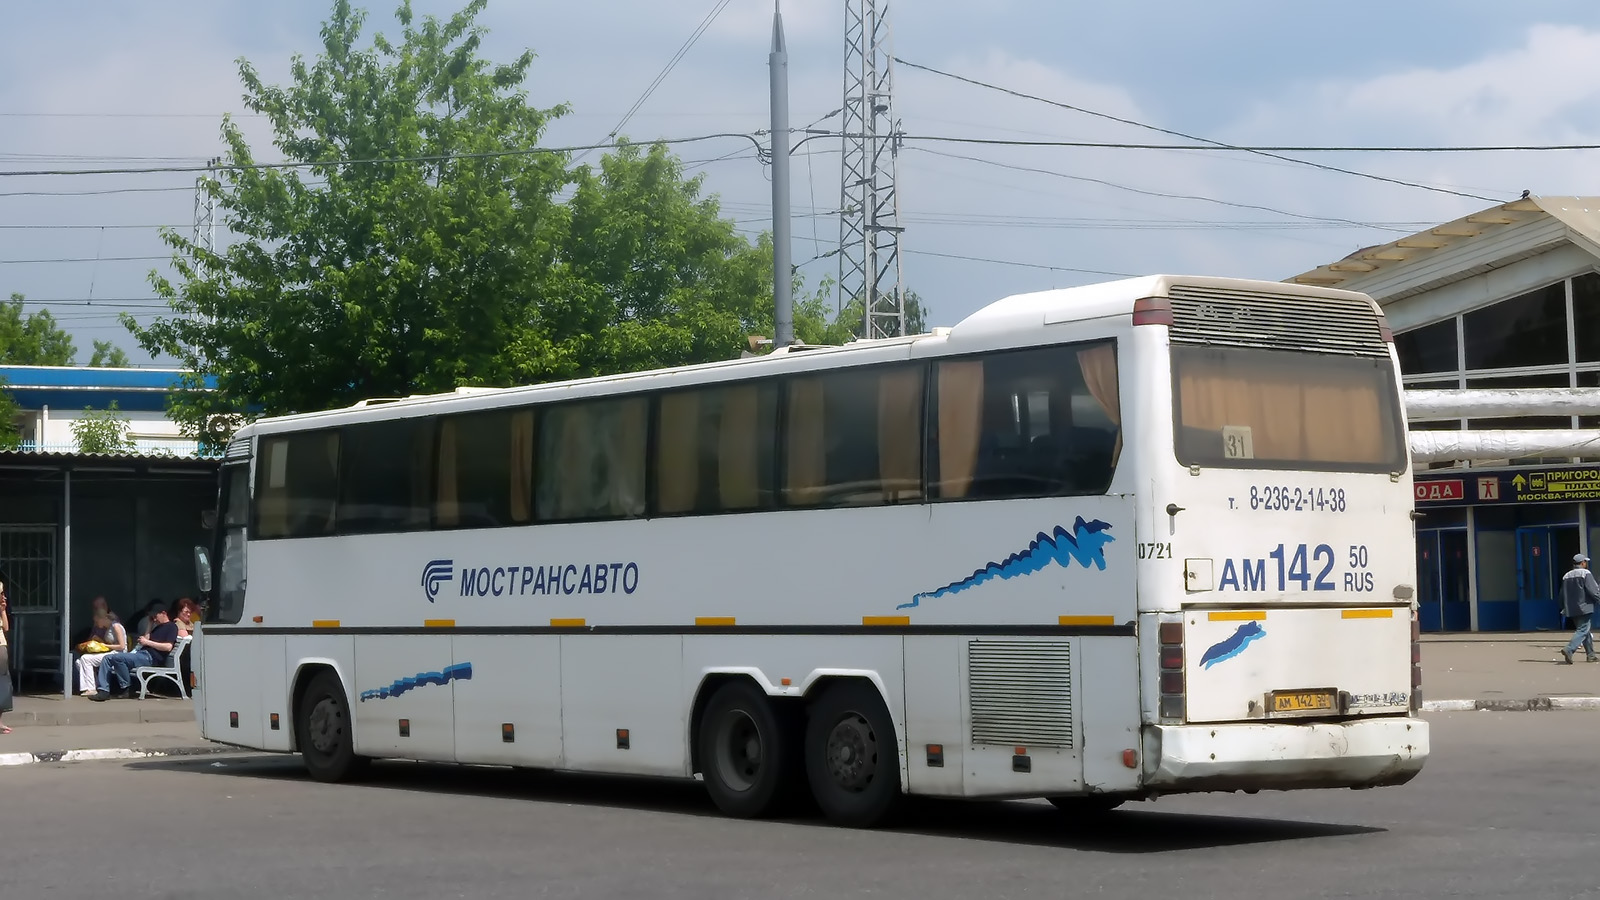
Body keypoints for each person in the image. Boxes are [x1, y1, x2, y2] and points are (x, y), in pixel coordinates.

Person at [89, 606, 178, 701]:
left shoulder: (171, 627)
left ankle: (126, 688)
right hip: (141, 654)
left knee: (117, 658)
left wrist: (147, 643)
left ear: (163, 613)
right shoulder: (157, 627)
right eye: (152, 617)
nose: (154, 619)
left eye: (155, 616)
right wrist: (150, 624)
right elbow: (147, 638)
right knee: (107, 658)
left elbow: (168, 647)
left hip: (150, 657)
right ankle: (104, 690)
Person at [74, 610, 127, 696]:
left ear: (103, 618)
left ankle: (91, 688)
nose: (96, 624)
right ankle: (92, 686)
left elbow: (122, 646)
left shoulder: (116, 626)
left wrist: (104, 645)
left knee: (85, 658)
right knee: (79, 662)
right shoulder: (109, 628)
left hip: (118, 654)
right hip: (111, 652)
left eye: (97, 621)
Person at [1560, 553, 1600, 664]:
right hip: (1585, 607)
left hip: (1571, 608)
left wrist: (1563, 607)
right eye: (1585, 562)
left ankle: (1591, 655)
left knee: (1584, 631)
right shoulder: (1585, 573)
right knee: (1583, 630)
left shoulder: (1566, 576)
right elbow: (1593, 590)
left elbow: (1562, 594)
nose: (1586, 564)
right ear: (1582, 563)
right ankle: (1569, 649)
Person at [0, 583, 12, 733]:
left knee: (3, 684)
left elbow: (6, 627)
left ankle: (0, 722)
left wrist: (3, 611)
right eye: (1, 594)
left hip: (1, 646)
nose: (4, 596)